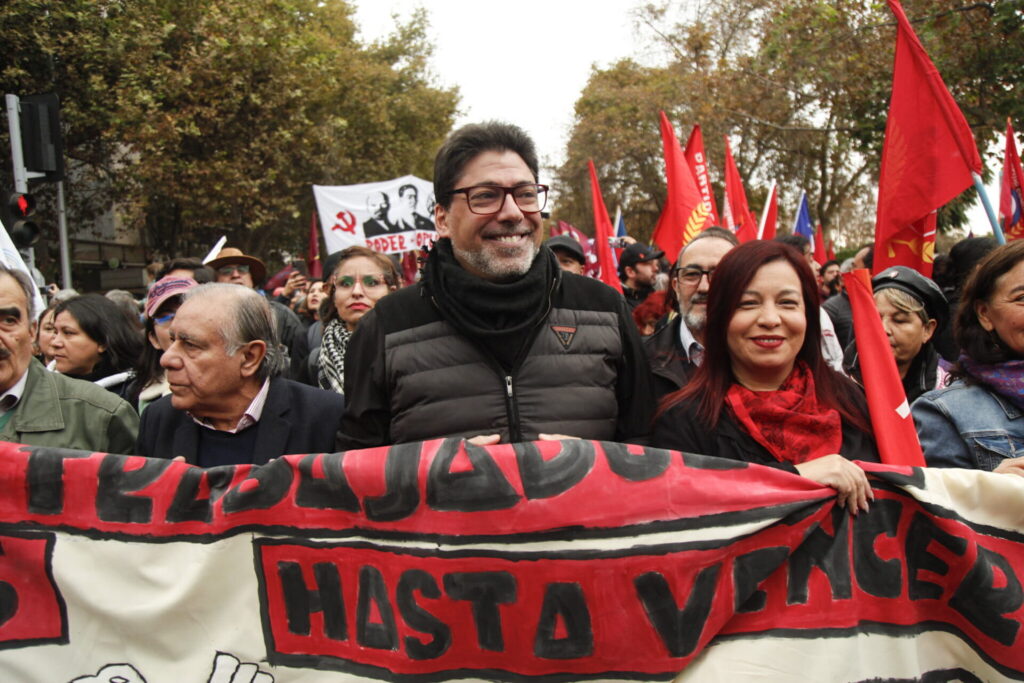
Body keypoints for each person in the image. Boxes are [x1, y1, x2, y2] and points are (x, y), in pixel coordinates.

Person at [338, 121, 654, 449]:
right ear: (443, 219)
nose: (512, 212)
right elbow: (356, 471)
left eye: (526, 194)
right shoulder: (387, 326)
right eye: (486, 196)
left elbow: (647, 448)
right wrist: (428, 476)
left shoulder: (604, 308)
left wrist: (595, 465)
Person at [653, 241, 878, 513]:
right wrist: (796, 477)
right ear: (720, 317)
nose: (771, 319)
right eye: (748, 304)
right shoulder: (684, 418)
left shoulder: (851, 401)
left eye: (787, 303)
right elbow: (685, 517)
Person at [135, 284, 344, 467]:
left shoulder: (327, 418)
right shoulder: (158, 419)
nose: (167, 359)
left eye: (190, 345)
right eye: (172, 340)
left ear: (249, 357)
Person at [0, 264, 138, 453]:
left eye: (8, 321)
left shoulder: (101, 415)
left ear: (32, 331)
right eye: (55, 332)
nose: (57, 342)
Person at [912, 241, 1024, 473]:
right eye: (1022, 298)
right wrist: (987, 492)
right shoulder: (943, 413)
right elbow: (938, 506)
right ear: (984, 314)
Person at [644, 227, 737, 400]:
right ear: (675, 286)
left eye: (718, 274)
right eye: (692, 274)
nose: (704, 287)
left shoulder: (768, 357)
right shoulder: (641, 361)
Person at [843, 266, 948, 404]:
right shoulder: (837, 386)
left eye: (899, 320)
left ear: (927, 329)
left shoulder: (947, 392)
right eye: (874, 318)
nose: (883, 329)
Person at [207, 246, 310, 383]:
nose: (236, 274)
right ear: (215, 280)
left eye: (242, 269)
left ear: (251, 277)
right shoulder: (206, 319)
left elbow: (302, 363)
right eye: (226, 271)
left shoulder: (281, 315)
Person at [315, 246, 400, 394]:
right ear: (334, 296)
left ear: (391, 292)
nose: (356, 292)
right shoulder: (313, 362)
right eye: (345, 284)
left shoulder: (413, 350)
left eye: (372, 282)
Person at [51, 294, 145, 400]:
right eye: (55, 332)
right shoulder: (42, 389)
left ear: (102, 342)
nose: (55, 342)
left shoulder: (137, 394)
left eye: (68, 333)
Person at [128, 275, 198, 413]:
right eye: (168, 317)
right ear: (153, 338)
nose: (178, 324)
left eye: (187, 312)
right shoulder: (137, 396)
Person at [619, 243, 663, 310]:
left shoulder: (659, 301)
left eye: (655, 264)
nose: (656, 268)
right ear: (630, 272)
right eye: (649, 264)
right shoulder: (616, 304)